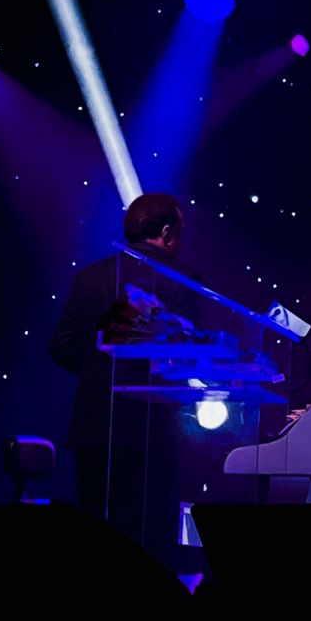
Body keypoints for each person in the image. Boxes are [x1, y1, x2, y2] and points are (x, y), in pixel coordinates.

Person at [48, 193, 186, 524]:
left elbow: (61, 347)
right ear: (167, 233)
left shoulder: (89, 277)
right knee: (149, 530)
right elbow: (188, 349)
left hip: (94, 426)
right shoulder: (182, 281)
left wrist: (102, 373)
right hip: (151, 429)